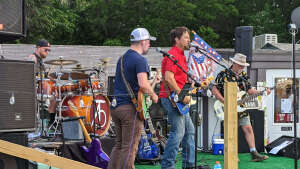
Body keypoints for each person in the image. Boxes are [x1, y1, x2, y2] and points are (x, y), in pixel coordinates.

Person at [108, 28, 158, 169]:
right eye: (148, 41)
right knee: (130, 148)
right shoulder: (140, 60)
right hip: (130, 110)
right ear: (142, 41)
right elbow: (143, 84)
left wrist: (153, 83)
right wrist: (154, 95)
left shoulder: (122, 58)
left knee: (119, 145)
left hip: (116, 107)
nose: (149, 44)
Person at [212, 53, 271, 162]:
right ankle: (232, 155)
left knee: (248, 128)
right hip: (227, 106)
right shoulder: (223, 74)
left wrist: (263, 92)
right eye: (240, 65)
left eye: (243, 65)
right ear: (233, 63)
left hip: (241, 107)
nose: (242, 67)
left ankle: (254, 153)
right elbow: (214, 89)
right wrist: (224, 101)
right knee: (231, 131)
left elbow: (250, 91)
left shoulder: (244, 75)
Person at [159, 26, 197, 169]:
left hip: (178, 98)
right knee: (178, 132)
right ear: (177, 39)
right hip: (172, 98)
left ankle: (189, 165)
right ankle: (167, 166)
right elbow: (169, 78)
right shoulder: (173, 54)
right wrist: (182, 96)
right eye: (186, 37)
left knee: (189, 132)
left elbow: (177, 79)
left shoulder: (181, 55)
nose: (189, 40)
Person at [27, 39, 56, 125]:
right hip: (32, 89)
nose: (47, 52)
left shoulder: (40, 61)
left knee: (55, 96)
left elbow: (43, 76)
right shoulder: (33, 58)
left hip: (39, 88)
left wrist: (53, 78)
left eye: (49, 50)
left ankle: (51, 123)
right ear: (38, 47)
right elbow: (28, 75)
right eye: (45, 49)